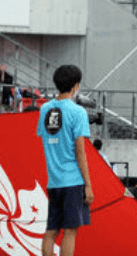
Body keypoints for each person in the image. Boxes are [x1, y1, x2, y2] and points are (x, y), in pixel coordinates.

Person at [36, 65, 93, 256]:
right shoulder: (78, 112)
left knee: (51, 230)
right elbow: (80, 151)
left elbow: (46, 139)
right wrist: (88, 185)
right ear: (76, 85)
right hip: (72, 179)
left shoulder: (44, 109)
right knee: (70, 231)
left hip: (53, 179)